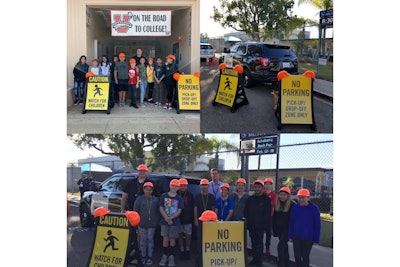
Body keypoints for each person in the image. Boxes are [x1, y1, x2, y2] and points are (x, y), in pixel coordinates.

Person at [289, 189, 321, 267]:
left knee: (305, 256)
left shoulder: (314, 208)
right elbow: (291, 222)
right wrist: (290, 235)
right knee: (297, 256)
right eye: (299, 198)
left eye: (303, 198)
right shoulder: (295, 208)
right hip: (296, 237)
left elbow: (317, 224)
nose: (301, 199)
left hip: (308, 238)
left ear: (308, 198)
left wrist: (316, 239)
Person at [244, 180, 271, 267]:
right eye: (255, 187)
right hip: (251, 226)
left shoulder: (266, 200)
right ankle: (255, 259)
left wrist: (264, 225)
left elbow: (267, 214)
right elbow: (246, 212)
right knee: (253, 243)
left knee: (259, 244)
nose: (257, 189)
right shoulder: (250, 199)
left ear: (262, 188)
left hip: (260, 227)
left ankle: (259, 261)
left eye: (259, 187)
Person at [158, 179, 184, 267]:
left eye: (176, 186)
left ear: (178, 188)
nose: (174, 187)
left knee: (172, 239)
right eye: (172, 185)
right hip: (164, 222)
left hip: (175, 222)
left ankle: (171, 256)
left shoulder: (179, 198)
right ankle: (164, 255)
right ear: (170, 186)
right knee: (165, 238)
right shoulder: (164, 196)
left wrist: (171, 218)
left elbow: (179, 210)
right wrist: (166, 218)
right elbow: (161, 207)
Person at [133, 181, 160, 266]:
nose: (148, 191)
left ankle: (150, 257)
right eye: (146, 189)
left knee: (150, 239)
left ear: (152, 190)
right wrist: (136, 222)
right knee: (143, 240)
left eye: (150, 190)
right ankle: (143, 256)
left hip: (152, 224)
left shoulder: (155, 200)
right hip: (141, 223)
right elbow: (135, 211)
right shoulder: (139, 199)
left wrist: (157, 221)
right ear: (143, 190)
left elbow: (158, 212)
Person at [272, 187, 295, 267]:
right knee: (284, 249)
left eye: (284, 195)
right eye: (281, 194)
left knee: (280, 247)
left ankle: (280, 265)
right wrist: (274, 230)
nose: (282, 196)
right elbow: (274, 218)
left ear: (288, 196)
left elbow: (294, 220)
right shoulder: (277, 205)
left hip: (288, 230)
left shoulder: (292, 205)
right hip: (280, 230)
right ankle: (286, 264)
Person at [177, 178, 194, 260]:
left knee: (188, 236)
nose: (183, 187)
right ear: (179, 186)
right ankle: (181, 250)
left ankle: (187, 250)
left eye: (184, 186)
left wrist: (193, 218)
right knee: (179, 235)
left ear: (187, 186)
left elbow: (193, 207)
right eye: (181, 186)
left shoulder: (190, 195)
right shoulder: (176, 194)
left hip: (188, 219)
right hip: (178, 219)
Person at [263, 177, 277, 255]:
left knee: (268, 233)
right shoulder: (263, 193)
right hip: (262, 215)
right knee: (260, 232)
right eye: (266, 184)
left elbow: (273, 204)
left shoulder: (273, 195)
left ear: (271, 186)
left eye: (269, 184)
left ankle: (267, 247)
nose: (267, 186)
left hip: (269, 215)